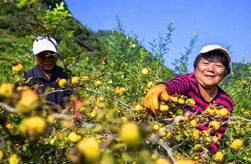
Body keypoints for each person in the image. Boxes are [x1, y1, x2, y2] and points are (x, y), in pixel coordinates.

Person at [144, 44, 234, 155]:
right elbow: (176, 84)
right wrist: (161, 87)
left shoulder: (225, 102)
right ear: (196, 66)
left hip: (190, 156)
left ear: (225, 72)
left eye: (218, 65)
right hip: (159, 146)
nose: (211, 69)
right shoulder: (188, 82)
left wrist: (208, 152)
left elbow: (218, 137)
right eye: (206, 63)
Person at [24, 36, 71, 109]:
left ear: (57, 56)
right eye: (42, 56)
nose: (47, 59)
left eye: (51, 55)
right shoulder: (27, 78)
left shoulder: (67, 76)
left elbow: (76, 103)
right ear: (35, 57)